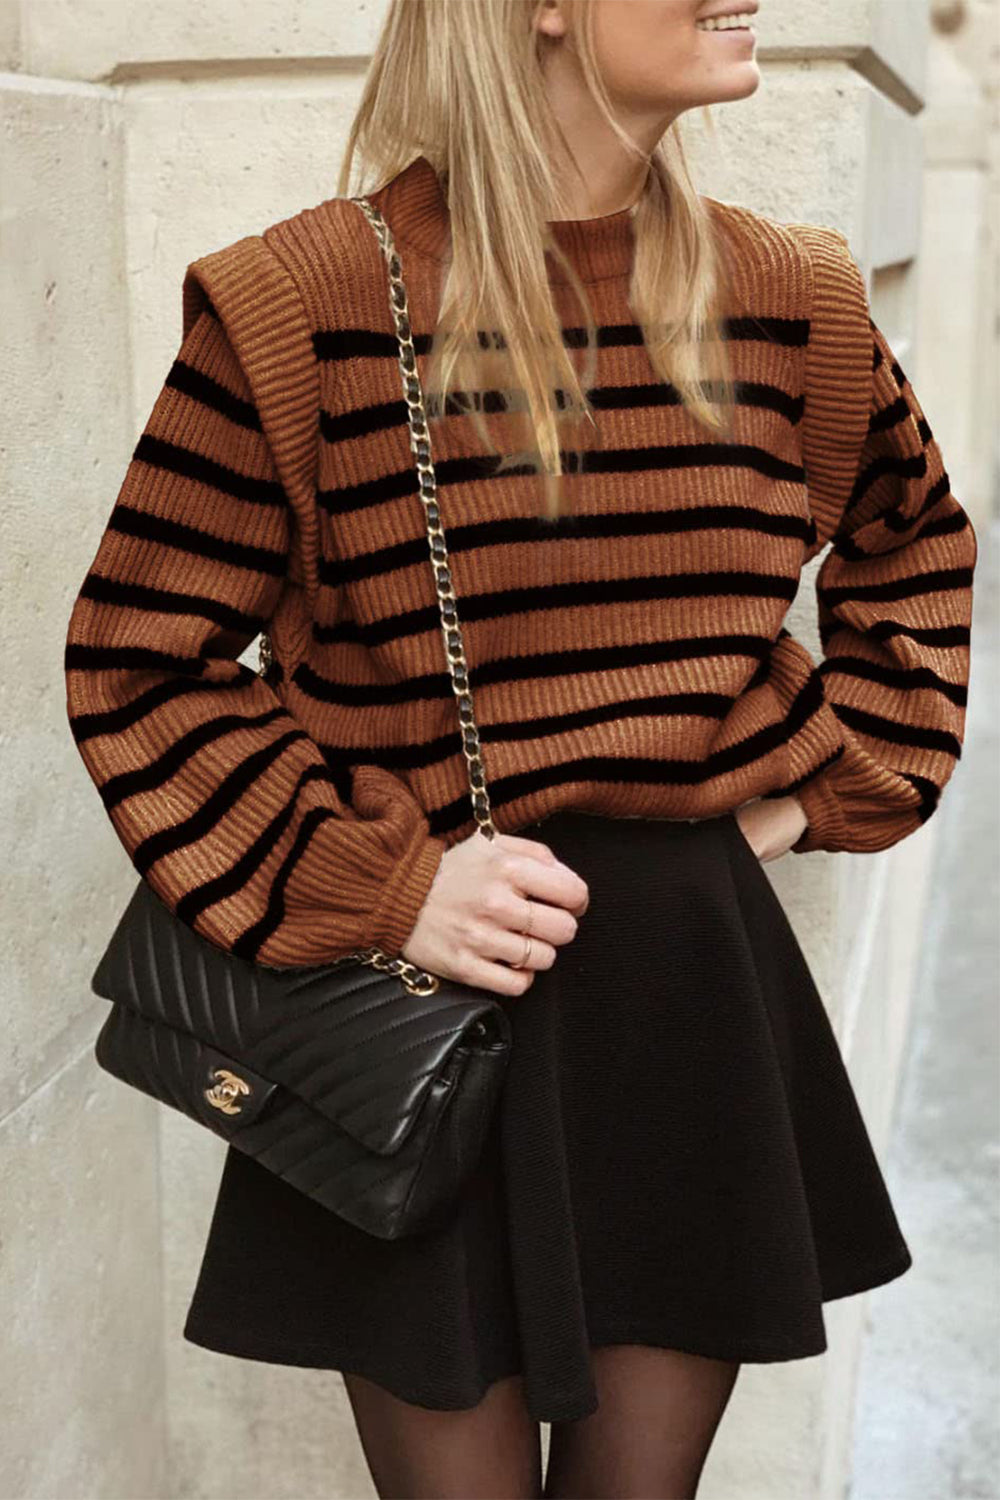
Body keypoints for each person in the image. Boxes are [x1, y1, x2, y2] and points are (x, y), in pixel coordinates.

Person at [63, 1, 979, 1495]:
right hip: (412, 1005)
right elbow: (139, 660)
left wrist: (813, 797)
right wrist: (385, 889)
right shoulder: (298, 307)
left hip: (683, 998)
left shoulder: (793, 299)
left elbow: (917, 547)